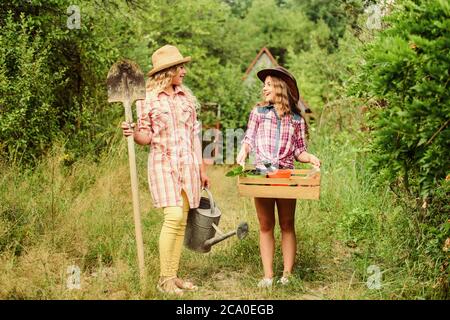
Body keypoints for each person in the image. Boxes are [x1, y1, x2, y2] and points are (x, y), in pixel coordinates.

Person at [122, 45, 210, 295]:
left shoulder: (186, 98)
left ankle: (172, 276)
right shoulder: (147, 99)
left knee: (181, 221)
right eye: (180, 67)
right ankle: (164, 280)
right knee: (172, 217)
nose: (184, 71)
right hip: (163, 164)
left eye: (183, 66)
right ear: (168, 70)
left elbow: (195, 136)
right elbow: (145, 136)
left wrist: (202, 169)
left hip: (189, 166)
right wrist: (134, 132)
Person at [236, 66, 321, 288]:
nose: (264, 88)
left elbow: (298, 151)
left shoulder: (296, 120)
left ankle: (287, 275)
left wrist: (310, 157)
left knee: (286, 223)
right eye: (264, 85)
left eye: (269, 84)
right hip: (262, 174)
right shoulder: (258, 113)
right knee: (265, 224)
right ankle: (267, 276)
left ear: (280, 88)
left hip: (285, 175)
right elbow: (249, 138)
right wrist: (243, 152)